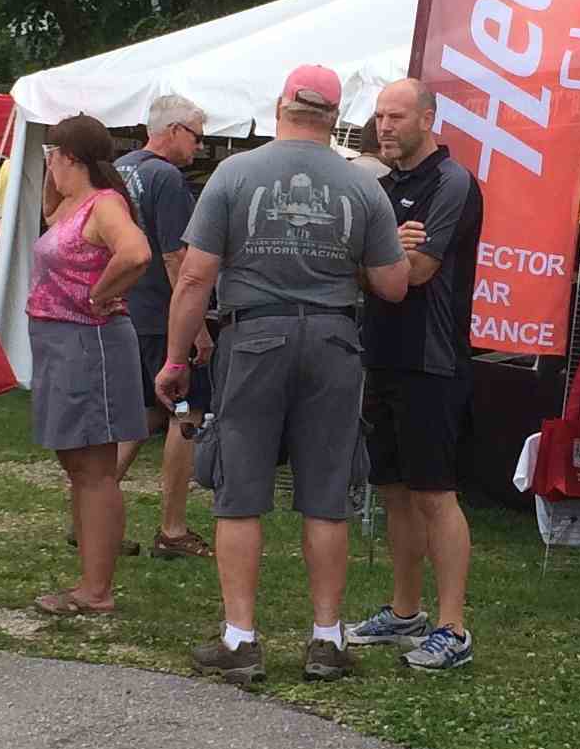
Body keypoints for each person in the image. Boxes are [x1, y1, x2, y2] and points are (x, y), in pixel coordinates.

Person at [156, 64, 407, 682]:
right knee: (326, 495)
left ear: (280, 107)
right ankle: (327, 639)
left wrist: (175, 358)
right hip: (333, 339)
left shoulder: (235, 174)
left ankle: (242, 640)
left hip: (254, 337)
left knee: (240, 491)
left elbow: (193, 277)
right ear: (335, 117)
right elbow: (394, 285)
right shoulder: (362, 186)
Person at [345, 76, 487, 670]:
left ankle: (453, 627)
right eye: (380, 116)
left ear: (428, 118)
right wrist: (378, 251)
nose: (385, 127)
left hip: (432, 359)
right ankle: (406, 612)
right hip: (381, 352)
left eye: (397, 117)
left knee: (434, 494)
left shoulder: (452, 183)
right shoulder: (384, 183)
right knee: (394, 490)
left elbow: (418, 271)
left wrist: (379, 255)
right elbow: (360, 265)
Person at [28, 113, 155, 615]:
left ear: (69, 158)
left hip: (91, 341)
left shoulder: (105, 204)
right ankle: (90, 577)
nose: (49, 165)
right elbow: (51, 214)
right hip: (60, 342)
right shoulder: (69, 204)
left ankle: (96, 589)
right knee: (74, 461)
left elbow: (137, 252)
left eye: (52, 156)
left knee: (95, 468)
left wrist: (100, 293)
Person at [114, 94, 212, 559]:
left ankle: (91, 509)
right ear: (173, 131)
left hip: (124, 309)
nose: (198, 148)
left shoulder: (120, 168)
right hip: (161, 317)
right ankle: (172, 529)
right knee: (185, 412)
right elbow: (178, 259)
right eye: (196, 137)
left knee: (142, 413)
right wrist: (192, 327)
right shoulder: (167, 179)